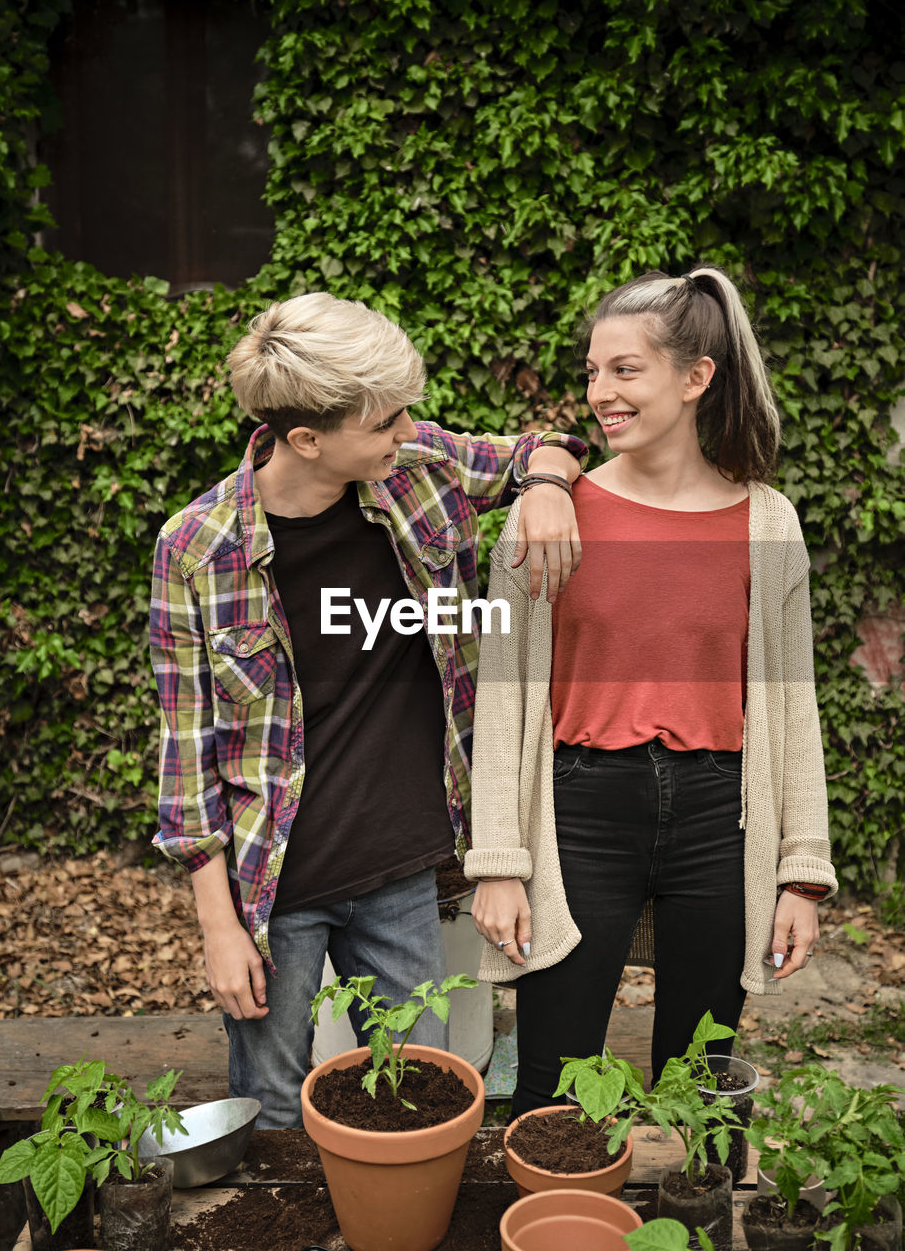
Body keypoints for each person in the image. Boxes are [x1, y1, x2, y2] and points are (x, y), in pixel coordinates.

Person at [149, 292, 587, 1127]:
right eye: (385, 420)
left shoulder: (417, 468)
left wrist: (546, 485)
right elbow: (184, 755)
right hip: (276, 886)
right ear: (306, 438)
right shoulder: (197, 548)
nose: (406, 429)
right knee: (270, 1113)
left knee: (418, 1097)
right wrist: (218, 929)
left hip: (401, 871)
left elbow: (546, 447)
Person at [465, 268, 837, 1118]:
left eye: (625, 371)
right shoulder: (549, 516)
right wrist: (498, 862)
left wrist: (801, 875)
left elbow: (792, 701)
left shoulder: (767, 522)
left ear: (695, 378)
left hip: (722, 819)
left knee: (701, 1085)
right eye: (593, 372)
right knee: (551, 1090)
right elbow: (506, 696)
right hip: (579, 815)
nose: (600, 393)